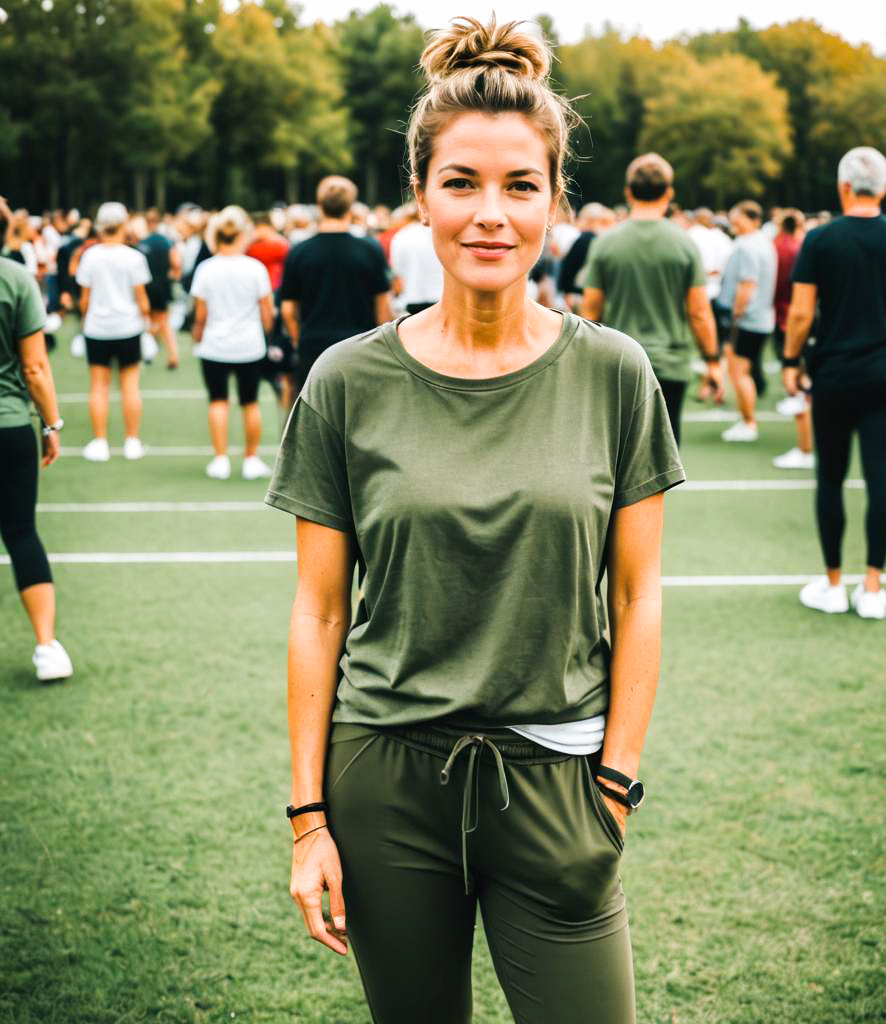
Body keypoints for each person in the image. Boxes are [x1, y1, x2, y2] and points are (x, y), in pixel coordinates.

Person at [266, 17, 685, 1023]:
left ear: (555, 201)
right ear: (419, 198)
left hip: (558, 780)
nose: (489, 214)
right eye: (459, 183)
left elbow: (637, 591)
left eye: (518, 186)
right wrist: (307, 818)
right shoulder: (345, 380)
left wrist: (617, 781)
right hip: (385, 784)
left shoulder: (614, 372)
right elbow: (319, 613)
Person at [783, 147, 886, 620]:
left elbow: (803, 312)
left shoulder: (821, 239)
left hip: (835, 372)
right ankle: (872, 586)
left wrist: (791, 359)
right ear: (884, 189)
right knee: (881, 477)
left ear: (843, 186)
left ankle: (833, 584)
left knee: (831, 477)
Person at [581, 152, 723, 442]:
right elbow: (699, 312)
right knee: (661, 463)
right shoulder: (685, 243)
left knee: (616, 455)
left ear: (628, 192)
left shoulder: (606, 242)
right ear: (669, 193)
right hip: (670, 364)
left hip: (617, 364)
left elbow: (590, 312)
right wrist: (712, 361)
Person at [0, 197, 72, 681]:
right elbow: (34, 366)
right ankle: (46, 647)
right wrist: (52, 424)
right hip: (8, 425)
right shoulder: (15, 277)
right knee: (21, 532)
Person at [278, 176, 392, 397]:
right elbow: (382, 308)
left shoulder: (299, 251)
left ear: (319, 206)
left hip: (313, 345)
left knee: (313, 420)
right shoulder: (369, 249)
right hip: (360, 345)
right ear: (351, 206)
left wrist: (298, 338)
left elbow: (288, 309)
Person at [189, 206, 275, 481]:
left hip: (215, 345)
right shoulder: (254, 268)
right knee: (250, 402)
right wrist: (266, 334)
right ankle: (251, 459)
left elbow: (200, 315)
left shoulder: (206, 268)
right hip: (249, 345)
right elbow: (266, 312)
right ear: (243, 233)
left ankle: (221, 458)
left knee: (218, 401)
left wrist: (198, 336)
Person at [75, 201, 151, 462]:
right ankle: (132, 440)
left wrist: (83, 323)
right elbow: (142, 298)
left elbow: (84, 299)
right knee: (130, 386)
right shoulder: (134, 257)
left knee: (99, 386)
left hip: (97, 328)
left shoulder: (90, 255)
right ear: (124, 223)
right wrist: (148, 326)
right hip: (128, 327)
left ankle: (100, 442)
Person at [718, 200, 778, 442]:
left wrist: (736, 315)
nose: (734, 224)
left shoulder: (748, 246)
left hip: (749, 319)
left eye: (738, 219)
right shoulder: (763, 242)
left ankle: (748, 422)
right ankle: (746, 420)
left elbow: (747, 284)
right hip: (760, 317)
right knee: (744, 371)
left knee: (739, 371)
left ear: (753, 219)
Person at [771, 210, 815, 470]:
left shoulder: (788, 248)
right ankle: (805, 446)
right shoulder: (797, 247)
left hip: (791, 317)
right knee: (804, 382)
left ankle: (806, 448)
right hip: (794, 316)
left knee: (801, 383)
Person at [137, 208, 181, 369]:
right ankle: (172, 355)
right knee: (163, 322)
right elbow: (176, 262)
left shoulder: (143, 243)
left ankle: (148, 351)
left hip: (148, 286)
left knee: (152, 322)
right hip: (163, 286)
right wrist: (172, 275)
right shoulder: (166, 241)